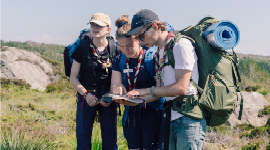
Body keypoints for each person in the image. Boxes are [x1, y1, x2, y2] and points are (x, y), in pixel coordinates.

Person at [124, 9, 207, 150]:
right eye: (138, 38)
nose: (140, 41)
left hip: (188, 118)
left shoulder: (181, 45)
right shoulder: (160, 51)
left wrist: (143, 90)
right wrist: (137, 100)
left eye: (141, 35)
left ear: (155, 27)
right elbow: (160, 90)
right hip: (170, 117)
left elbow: (181, 88)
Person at [111, 15, 165, 150]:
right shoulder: (119, 60)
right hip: (131, 113)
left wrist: (141, 99)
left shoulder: (152, 57)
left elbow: (161, 90)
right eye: (121, 46)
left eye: (129, 45)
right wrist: (117, 88)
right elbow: (114, 85)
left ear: (138, 39)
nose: (125, 50)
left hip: (153, 111)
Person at [70, 12, 121, 150]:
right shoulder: (82, 48)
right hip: (86, 94)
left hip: (108, 96)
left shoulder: (115, 49)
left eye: (99, 25)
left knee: (110, 140)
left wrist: (111, 95)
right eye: (93, 25)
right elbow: (73, 78)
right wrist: (86, 94)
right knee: (83, 139)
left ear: (108, 29)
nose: (95, 28)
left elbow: (119, 79)